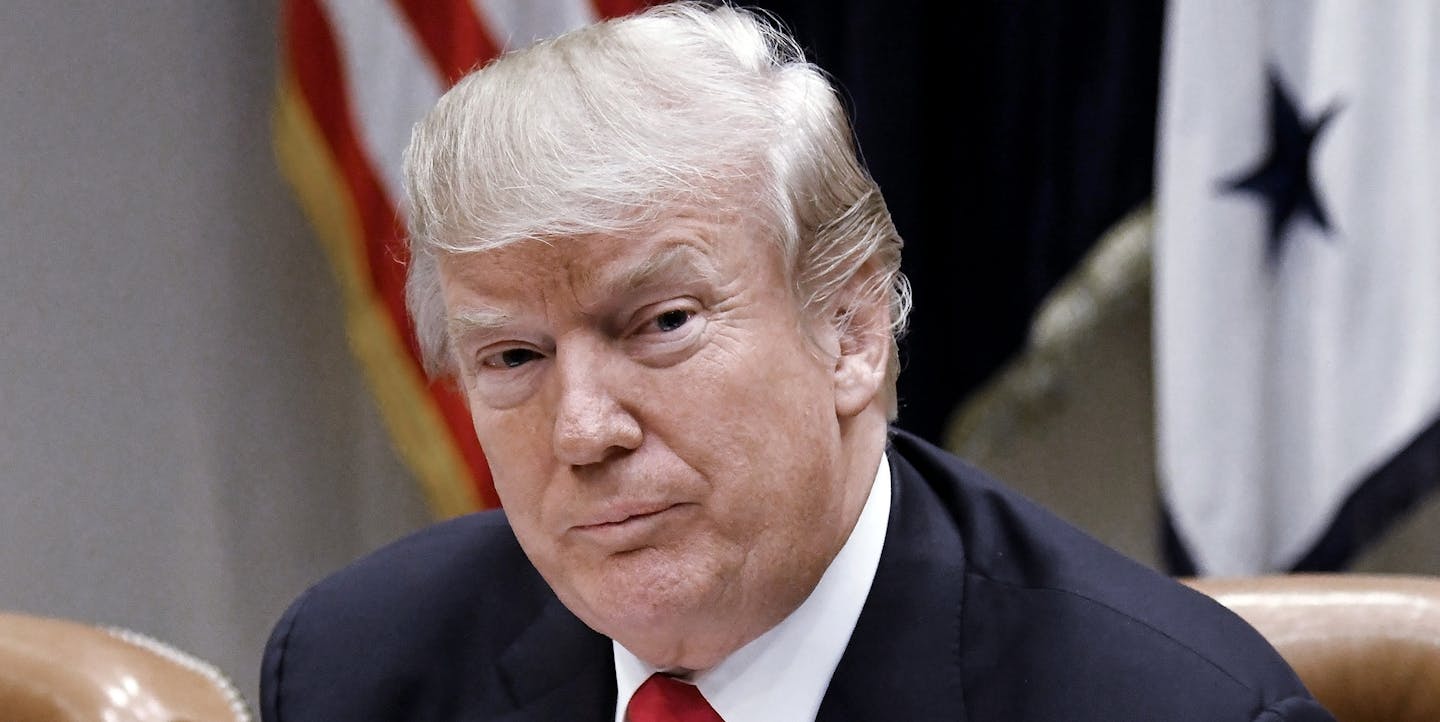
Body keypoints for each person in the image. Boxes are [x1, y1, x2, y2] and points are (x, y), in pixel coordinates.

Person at [259, 4, 1335, 721]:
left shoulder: (1167, 707)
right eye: (512, 354)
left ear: (852, 329)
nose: (584, 427)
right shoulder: (361, 667)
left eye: (661, 322)